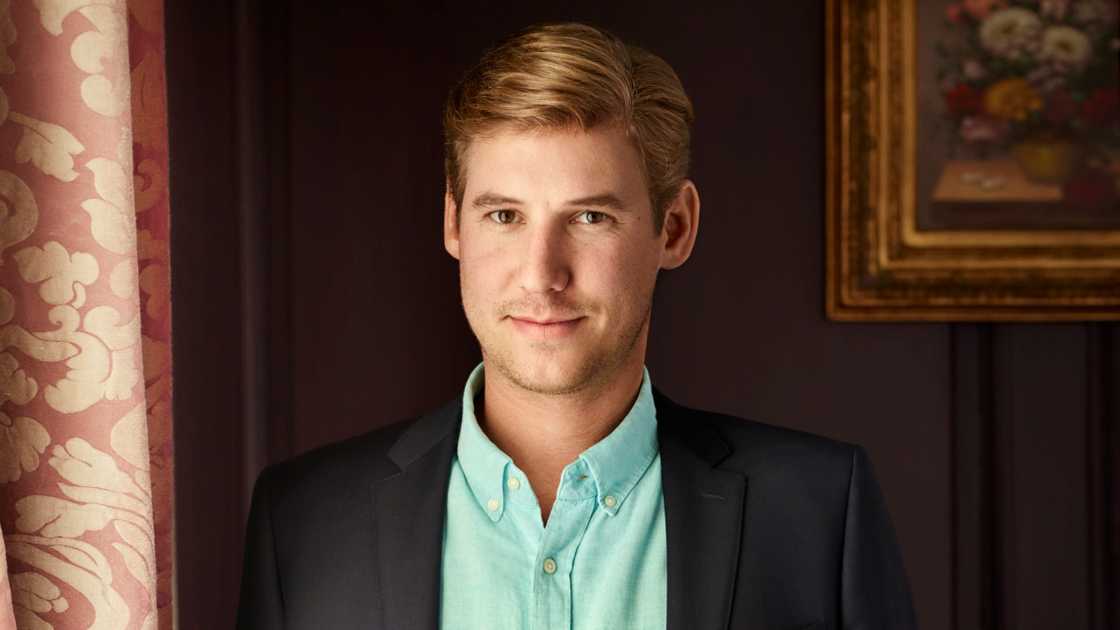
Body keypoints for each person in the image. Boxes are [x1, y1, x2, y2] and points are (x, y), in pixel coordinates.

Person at [236, 22, 918, 630]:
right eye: (504, 216)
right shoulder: (303, 519)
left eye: (590, 217)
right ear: (453, 224)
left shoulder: (819, 508)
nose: (541, 274)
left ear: (674, 228)